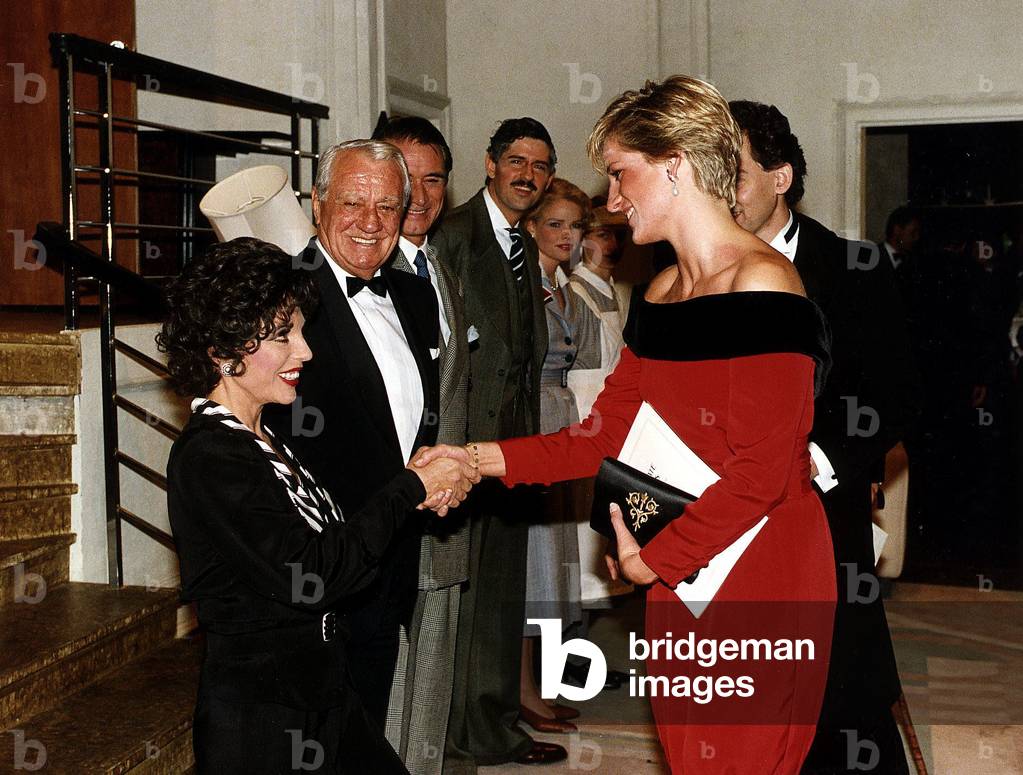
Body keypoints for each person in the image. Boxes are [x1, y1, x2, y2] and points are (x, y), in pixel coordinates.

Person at [418, 75, 837, 774]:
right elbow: (602, 435)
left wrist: (653, 560)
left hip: (757, 563)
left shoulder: (764, 283)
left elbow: (761, 473)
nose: (610, 202)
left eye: (620, 174)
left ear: (673, 164)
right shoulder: (661, 291)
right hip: (678, 566)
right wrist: (472, 458)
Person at [160, 237, 478, 773]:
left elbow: (334, 548)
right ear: (222, 351)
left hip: (322, 694)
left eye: (300, 331)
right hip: (264, 722)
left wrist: (417, 492)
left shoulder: (265, 438)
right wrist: (410, 488)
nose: (305, 351)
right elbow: (311, 575)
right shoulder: (210, 457)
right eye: (283, 336)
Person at [730, 99, 918, 774]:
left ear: (779, 177)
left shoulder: (855, 268)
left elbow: (893, 394)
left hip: (820, 519)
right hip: (723, 527)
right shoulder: (692, 273)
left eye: (735, 173)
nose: (720, 193)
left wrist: (813, 463)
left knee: (839, 695)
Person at [262, 139, 441, 729]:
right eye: (353, 203)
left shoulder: (414, 294)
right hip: (321, 565)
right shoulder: (282, 297)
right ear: (317, 205)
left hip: (395, 549)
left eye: (388, 207)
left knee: (367, 714)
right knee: (315, 729)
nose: (371, 222)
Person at [432, 118, 566, 768]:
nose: (528, 175)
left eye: (540, 166)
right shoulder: (454, 237)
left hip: (515, 447)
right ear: (489, 165)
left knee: (502, 593)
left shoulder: (521, 237)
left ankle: (493, 724)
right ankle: (463, 730)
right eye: (516, 161)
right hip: (470, 450)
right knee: (472, 593)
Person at [371, 116, 471, 774]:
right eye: (405, 177)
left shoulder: (436, 263)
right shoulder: (369, 274)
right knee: (389, 679)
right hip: (391, 513)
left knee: (432, 672)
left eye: (433, 177)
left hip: (445, 508)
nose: (420, 193)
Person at [517, 178, 601, 733]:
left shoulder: (568, 291)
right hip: (531, 424)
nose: (567, 235)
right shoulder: (521, 287)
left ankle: (537, 684)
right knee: (533, 563)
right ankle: (522, 692)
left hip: (563, 420)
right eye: (555, 224)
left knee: (554, 559)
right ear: (530, 228)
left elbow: (591, 354)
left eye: (575, 225)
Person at [568, 202, 635, 606]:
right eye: (602, 235)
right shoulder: (574, 291)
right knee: (580, 531)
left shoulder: (617, 291)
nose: (613, 244)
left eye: (619, 235)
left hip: (613, 418)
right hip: (581, 414)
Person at [879, 205, 921, 270]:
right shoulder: (871, 258)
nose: (917, 237)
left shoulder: (913, 261)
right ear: (897, 230)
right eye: (913, 233)